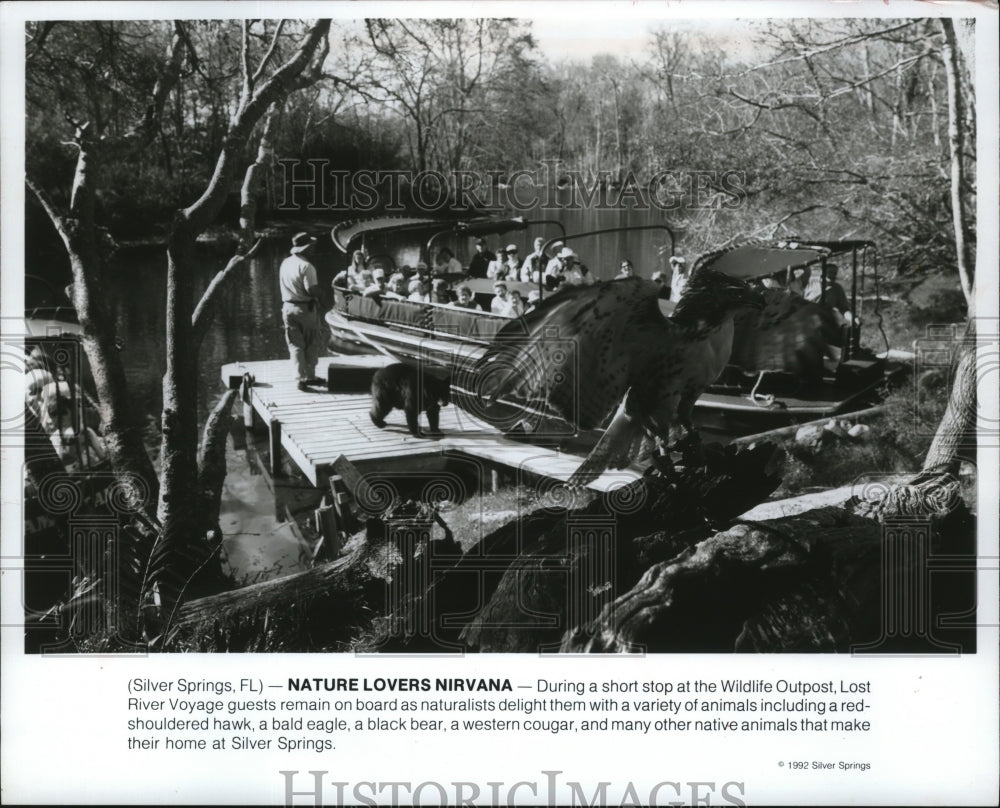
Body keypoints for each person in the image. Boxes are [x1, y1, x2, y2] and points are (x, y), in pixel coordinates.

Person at [279, 232, 325, 391]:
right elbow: (311, 289)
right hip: (305, 309)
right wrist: (322, 295)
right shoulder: (307, 266)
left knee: (295, 345)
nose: (313, 248)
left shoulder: (285, 263)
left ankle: (300, 379)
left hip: (288, 308)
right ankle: (310, 377)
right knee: (312, 342)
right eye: (311, 246)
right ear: (305, 248)